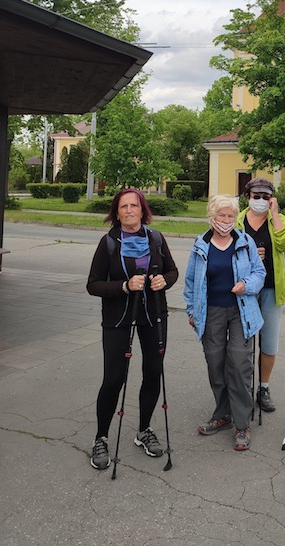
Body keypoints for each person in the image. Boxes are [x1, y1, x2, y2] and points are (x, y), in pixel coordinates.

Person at [87, 188, 179, 470]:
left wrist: (164, 280)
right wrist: (124, 287)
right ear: (116, 212)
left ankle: (143, 430)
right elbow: (93, 284)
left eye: (134, 206)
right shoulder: (109, 243)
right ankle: (101, 438)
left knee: (153, 373)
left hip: (153, 316)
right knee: (114, 379)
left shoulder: (155, 238)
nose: (129, 210)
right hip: (118, 318)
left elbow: (172, 271)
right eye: (123, 206)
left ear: (142, 210)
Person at [184, 195, 265, 451]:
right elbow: (190, 281)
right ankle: (223, 414)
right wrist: (191, 310)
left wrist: (247, 286)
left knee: (239, 364)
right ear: (212, 216)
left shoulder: (244, 241)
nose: (227, 221)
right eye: (222, 216)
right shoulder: (201, 245)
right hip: (211, 312)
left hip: (241, 310)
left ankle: (242, 423)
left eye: (231, 216)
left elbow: (259, 272)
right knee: (215, 362)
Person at [236, 178, 285, 412]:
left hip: (271, 288)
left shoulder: (278, 221)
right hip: (246, 289)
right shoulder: (238, 220)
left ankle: (264, 387)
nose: (260, 201)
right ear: (247, 196)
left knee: (269, 343)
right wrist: (251, 256)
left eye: (265, 197)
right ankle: (243, 386)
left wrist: (275, 215)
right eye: (256, 196)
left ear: (272, 199)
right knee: (243, 342)